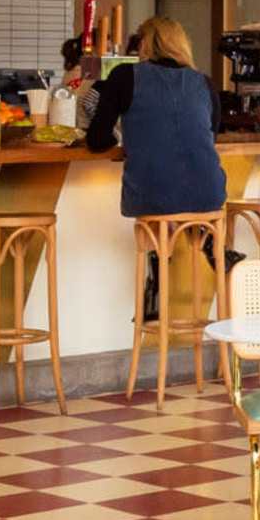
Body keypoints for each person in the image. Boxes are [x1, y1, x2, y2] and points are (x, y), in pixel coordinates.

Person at [90, 18, 227, 310]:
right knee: (187, 195)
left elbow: (97, 138)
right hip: (209, 193)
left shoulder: (125, 76)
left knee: (161, 193)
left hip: (152, 192)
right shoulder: (204, 82)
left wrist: (132, 141)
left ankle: (157, 275)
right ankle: (211, 248)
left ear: (145, 43)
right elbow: (208, 138)